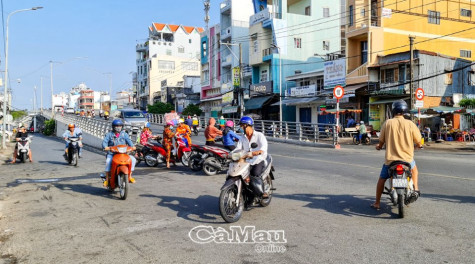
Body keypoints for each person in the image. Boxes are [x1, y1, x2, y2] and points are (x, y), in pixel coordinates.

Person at [371, 100, 422, 210]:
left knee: (382, 179)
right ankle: (416, 189)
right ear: (404, 111)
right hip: (407, 160)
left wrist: (379, 147)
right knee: (415, 170)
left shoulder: (388, 123)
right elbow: (419, 141)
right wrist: (419, 145)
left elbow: (381, 141)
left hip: (390, 160)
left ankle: (377, 203)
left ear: (394, 110)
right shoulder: (410, 124)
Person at [235, 116, 269, 197]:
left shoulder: (259, 135)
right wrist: (230, 154)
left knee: (254, 173)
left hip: (259, 159)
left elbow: (264, 148)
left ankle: (262, 193)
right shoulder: (242, 138)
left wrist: (257, 152)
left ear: (247, 125)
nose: (240, 128)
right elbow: (238, 149)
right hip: (246, 160)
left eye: (241, 126)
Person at [102, 120, 136, 187]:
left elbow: (129, 142)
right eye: (116, 126)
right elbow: (104, 142)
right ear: (113, 127)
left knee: (133, 159)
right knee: (108, 161)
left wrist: (133, 147)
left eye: (120, 126)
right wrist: (106, 147)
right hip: (112, 154)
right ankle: (107, 180)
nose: (118, 127)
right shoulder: (109, 134)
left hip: (123, 154)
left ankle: (130, 176)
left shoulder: (124, 134)